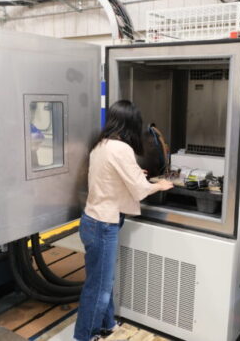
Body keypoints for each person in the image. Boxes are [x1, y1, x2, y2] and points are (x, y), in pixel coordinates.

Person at [74, 100, 173, 341]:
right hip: (103, 225)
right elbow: (139, 190)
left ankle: (107, 325)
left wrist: (136, 174)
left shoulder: (102, 145)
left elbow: (110, 177)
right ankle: (84, 336)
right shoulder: (121, 149)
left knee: (101, 282)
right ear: (131, 124)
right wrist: (159, 184)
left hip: (91, 220)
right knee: (99, 287)